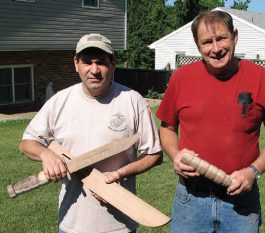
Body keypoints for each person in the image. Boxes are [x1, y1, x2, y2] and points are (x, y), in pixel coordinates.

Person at [156, 10, 265, 233]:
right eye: (207, 42)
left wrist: (253, 171)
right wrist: (175, 154)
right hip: (191, 199)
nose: (216, 48)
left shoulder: (262, 79)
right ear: (197, 45)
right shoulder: (181, 78)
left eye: (221, 38)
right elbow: (168, 128)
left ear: (235, 37)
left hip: (241, 204)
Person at [19, 33, 163, 233]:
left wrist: (122, 173)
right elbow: (27, 142)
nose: (94, 70)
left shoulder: (132, 100)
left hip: (120, 225)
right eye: (87, 62)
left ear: (113, 64)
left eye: (101, 62)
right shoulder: (60, 101)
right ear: (76, 63)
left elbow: (154, 154)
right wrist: (46, 154)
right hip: (71, 224)